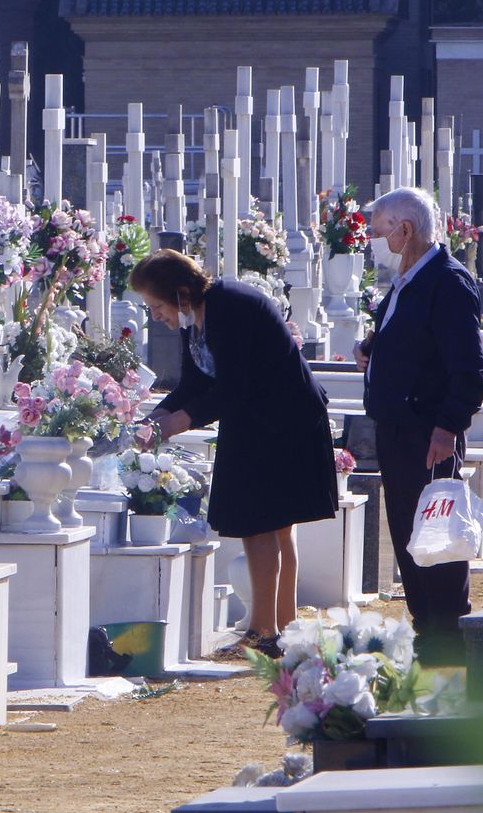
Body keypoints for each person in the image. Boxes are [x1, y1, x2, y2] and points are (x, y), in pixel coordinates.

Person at [130, 250, 338, 655]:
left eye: (156, 305)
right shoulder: (195, 318)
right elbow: (194, 382)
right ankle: (279, 627)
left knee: (261, 522)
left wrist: (181, 421)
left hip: (283, 421)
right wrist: (158, 415)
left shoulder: (230, 307)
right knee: (272, 525)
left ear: (180, 293)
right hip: (257, 421)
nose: (154, 316)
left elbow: (234, 387)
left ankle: (266, 633)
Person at [354, 187, 483, 667]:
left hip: (426, 435)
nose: (374, 241)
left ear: (404, 230)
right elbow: (416, 344)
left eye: (377, 232)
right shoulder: (409, 280)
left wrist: (447, 428)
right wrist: (376, 354)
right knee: (411, 540)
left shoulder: (446, 282)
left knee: (436, 539)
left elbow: (469, 371)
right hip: (397, 429)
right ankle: (426, 633)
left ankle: (447, 640)